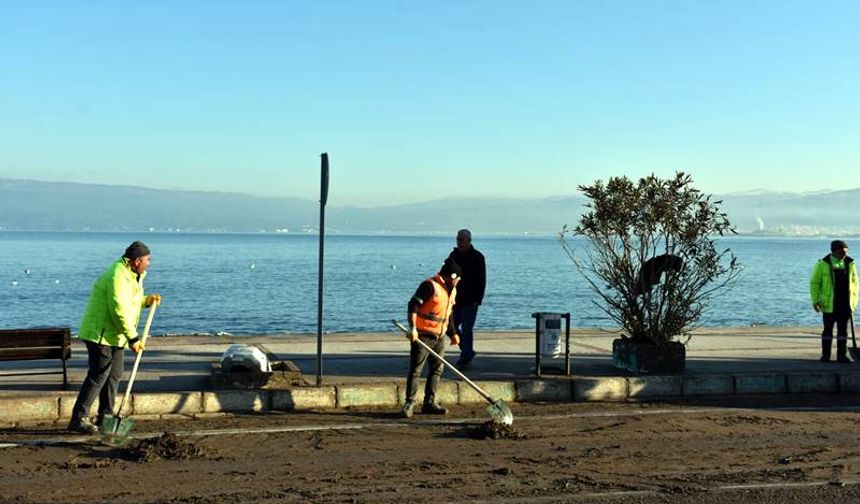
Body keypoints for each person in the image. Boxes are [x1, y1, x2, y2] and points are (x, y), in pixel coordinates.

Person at [67, 241, 162, 434]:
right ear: (136, 261)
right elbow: (118, 309)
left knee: (114, 375)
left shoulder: (134, 276)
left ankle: (106, 416)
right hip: (100, 333)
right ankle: (79, 418)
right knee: (99, 374)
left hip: (115, 335)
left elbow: (130, 303)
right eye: (147, 260)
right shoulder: (117, 275)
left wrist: (146, 301)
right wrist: (133, 338)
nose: (149, 263)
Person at [401, 258, 462, 418]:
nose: (459, 281)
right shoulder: (430, 286)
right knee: (416, 370)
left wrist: (453, 333)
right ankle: (410, 402)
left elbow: (448, 314)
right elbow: (413, 305)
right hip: (422, 335)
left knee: (437, 369)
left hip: (439, 336)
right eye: (458, 278)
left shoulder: (452, 290)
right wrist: (413, 328)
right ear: (451, 276)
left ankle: (430, 402)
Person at [809, 240, 858, 363]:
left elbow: (855, 283)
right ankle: (825, 355)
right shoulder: (823, 264)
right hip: (829, 304)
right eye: (842, 251)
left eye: (846, 251)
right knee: (827, 331)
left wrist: (854, 302)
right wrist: (815, 300)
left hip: (845, 303)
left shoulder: (850, 263)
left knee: (843, 331)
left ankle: (842, 355)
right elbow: (815, 283)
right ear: (834, 251)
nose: (845, 254)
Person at [447, 229, 486, 369]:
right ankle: (467, 350)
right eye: (458, 239)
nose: (459, 242)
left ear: (469, 241)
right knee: (449, 326)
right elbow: (445, 273)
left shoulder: (478, 257)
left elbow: (482, 280)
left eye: (462, 240)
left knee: (467, 328)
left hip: (471, 300)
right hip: (455, 300)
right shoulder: (453, 255)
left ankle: (465, 355)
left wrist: (478, 299)